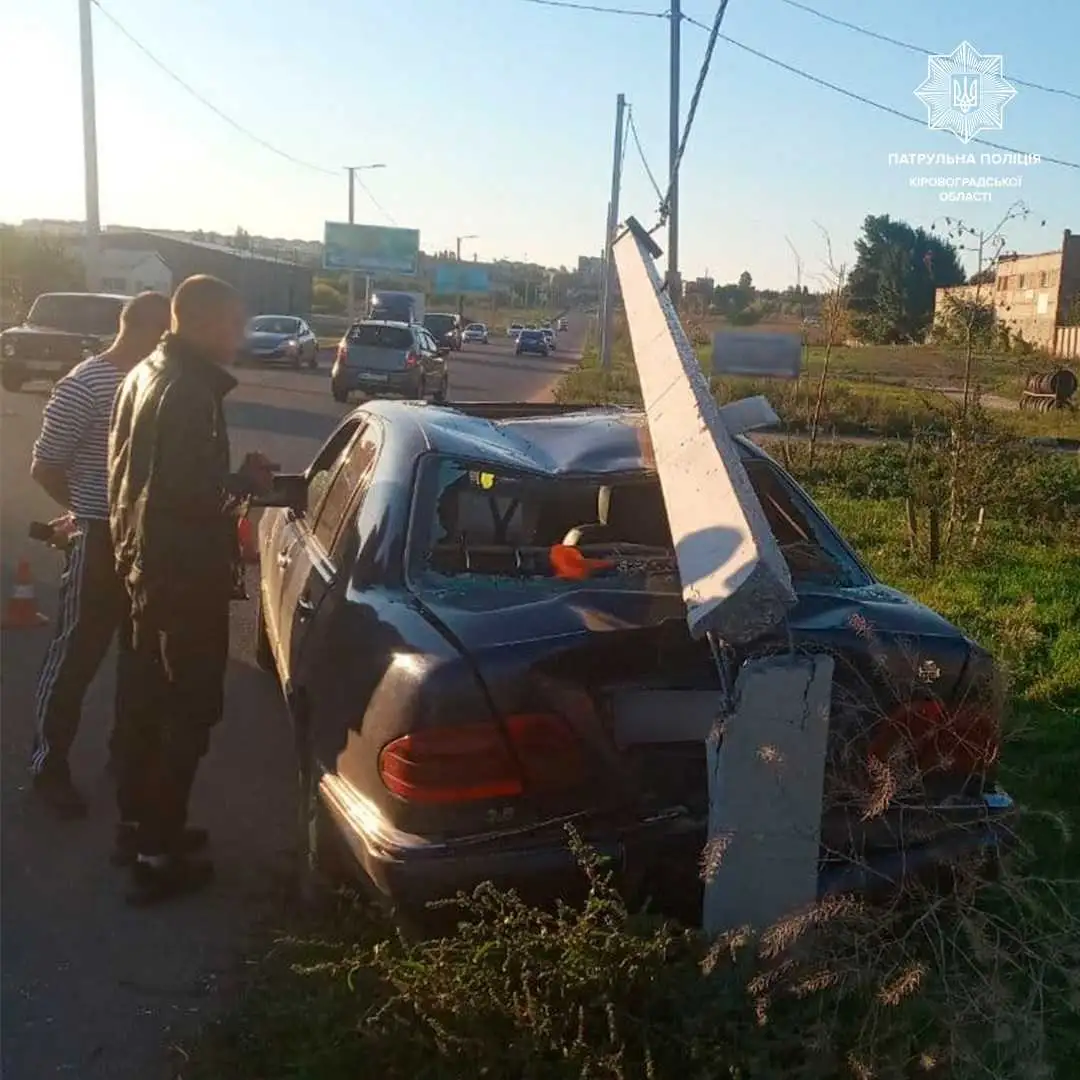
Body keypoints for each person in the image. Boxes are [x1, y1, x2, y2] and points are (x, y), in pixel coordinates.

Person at [108, 274, 276, 905]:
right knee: (189, 709)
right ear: (203, 324)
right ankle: (157, 855)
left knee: (147, 704)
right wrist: (246, 484)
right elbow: (189, 495)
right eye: (234, 324)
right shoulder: (189, 394)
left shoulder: (143, 372)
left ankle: (145, 828)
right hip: (181, 577)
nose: (240, 336)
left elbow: (134, 476)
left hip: (144, 567)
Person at [29, 291, 171, 819]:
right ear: (150, 331)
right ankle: (49, 765)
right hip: (99, 542)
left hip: (149, 547)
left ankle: (126, 759)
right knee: (76, 657)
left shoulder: (161, 385)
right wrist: (91, 511)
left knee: (140, 661)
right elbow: (44, 468)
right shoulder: (85, 385)